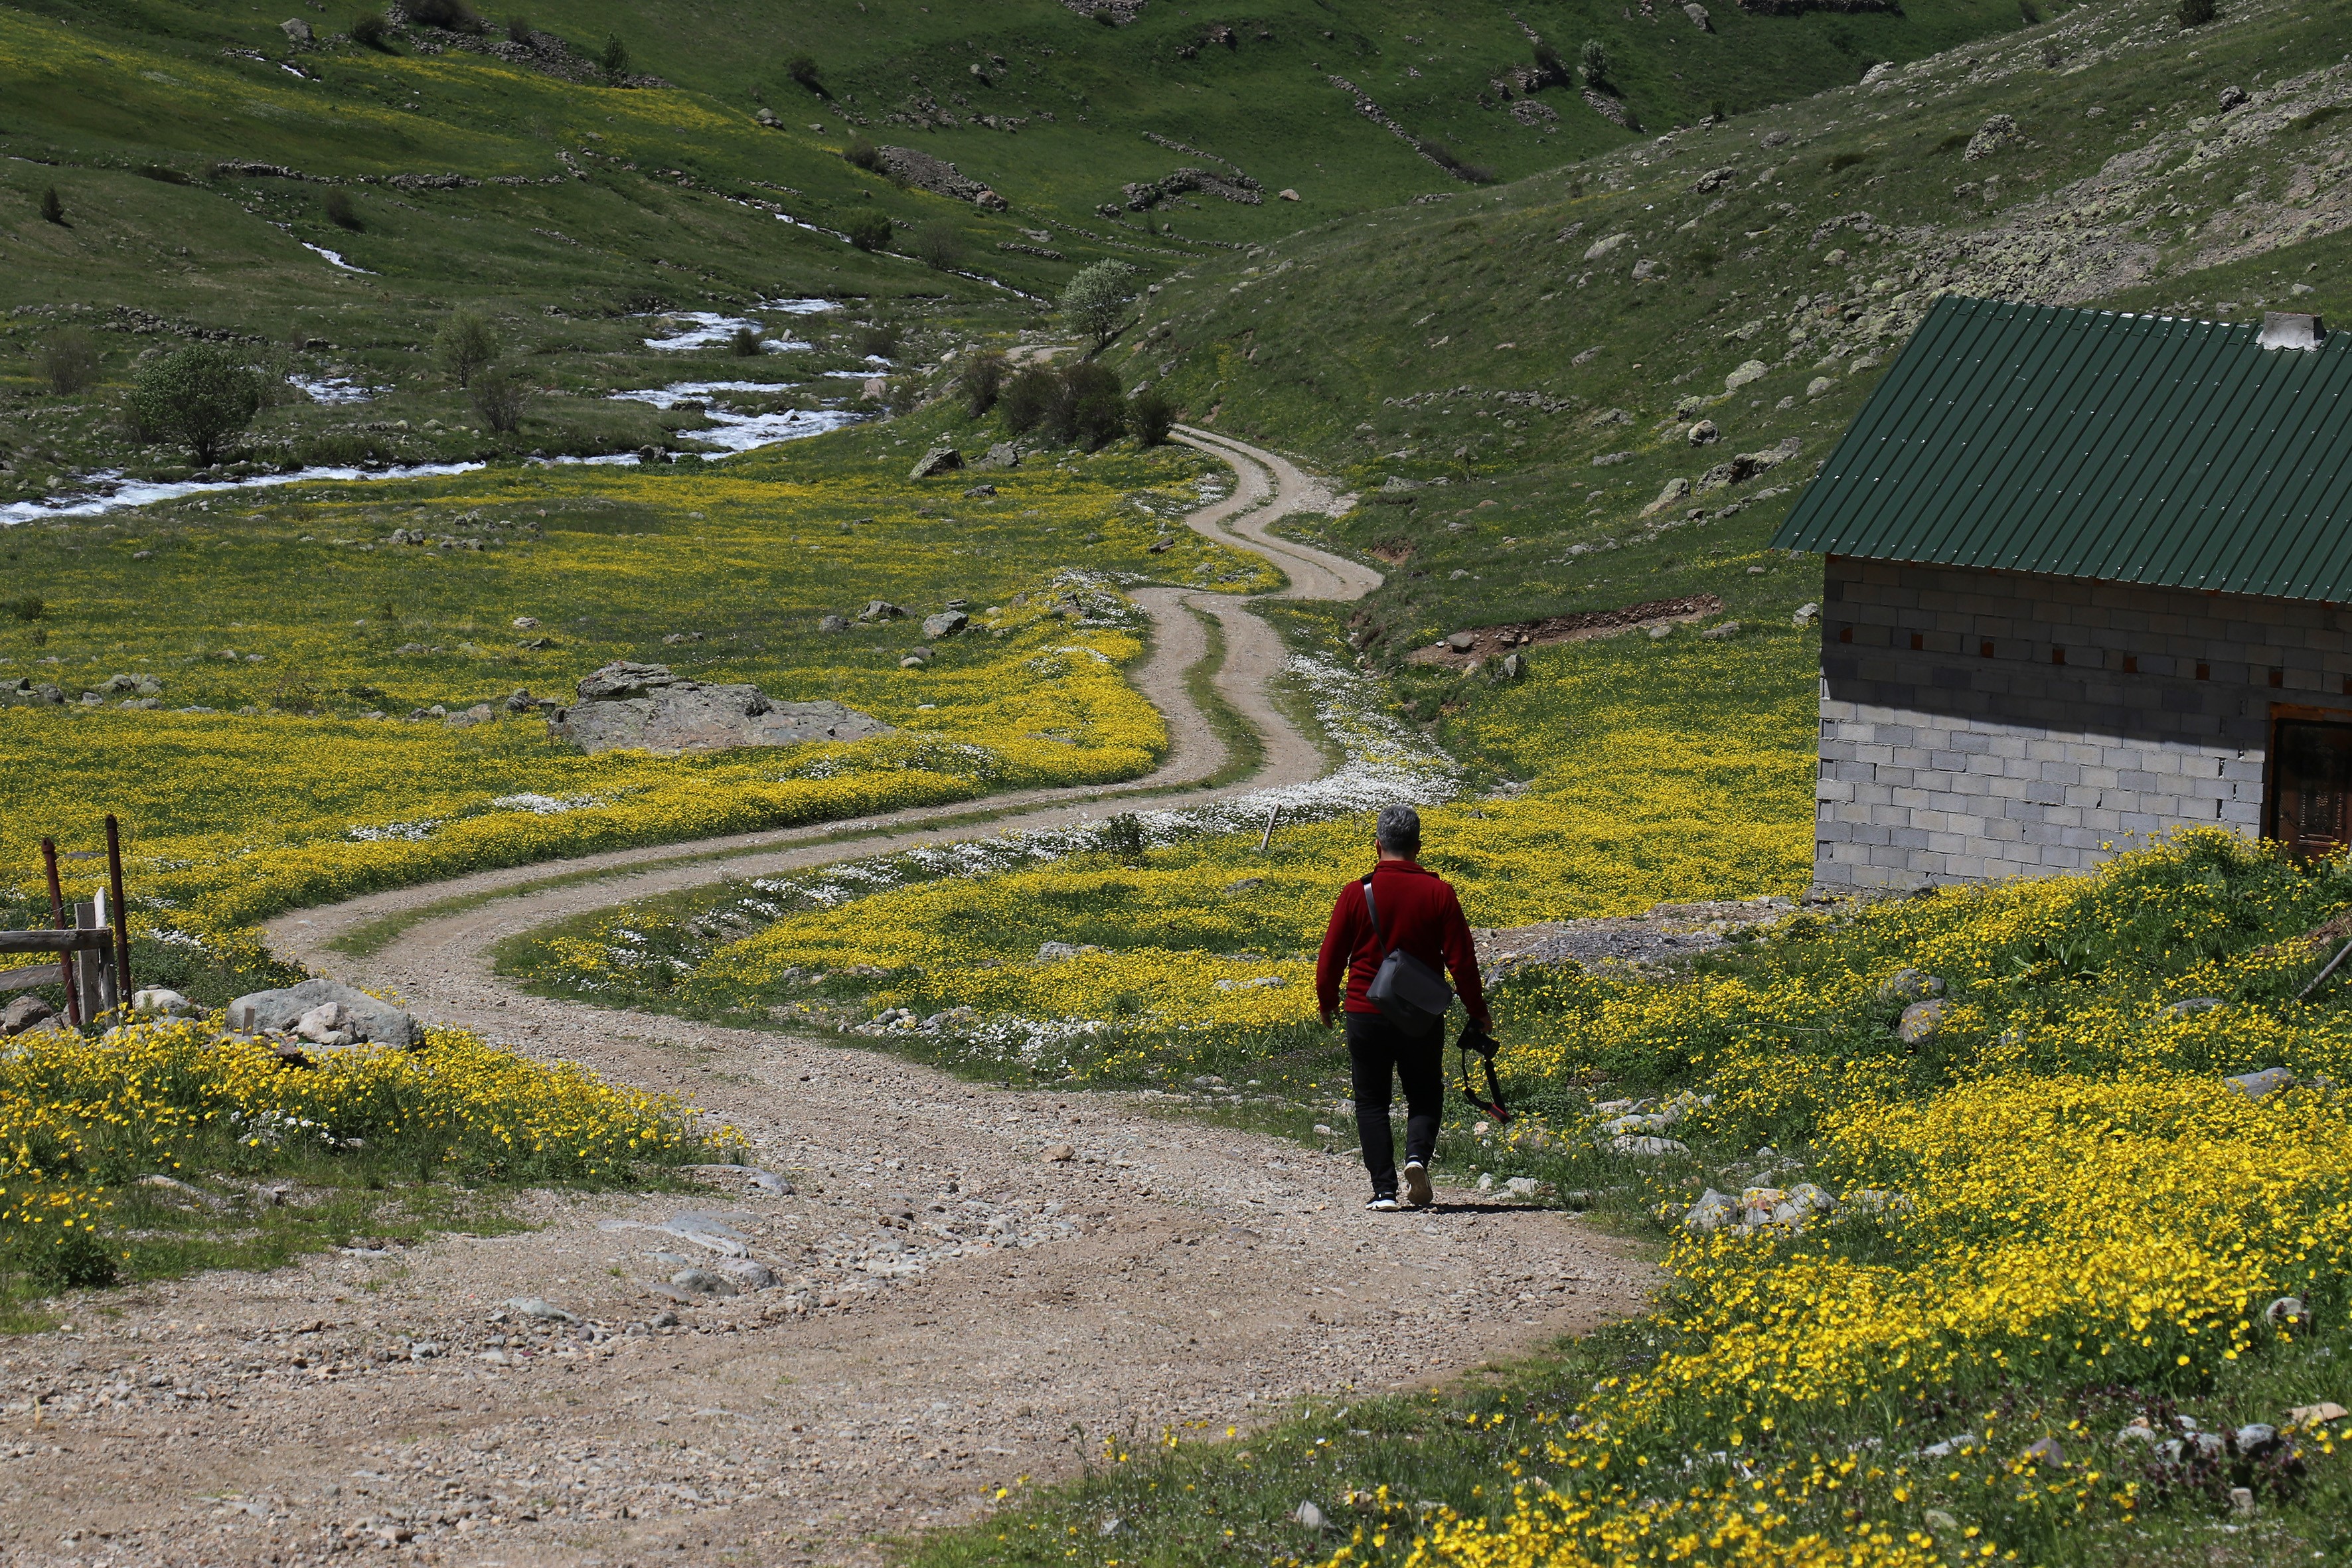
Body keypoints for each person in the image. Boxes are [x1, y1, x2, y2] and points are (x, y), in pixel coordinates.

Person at [1313, 803, 1490, 1211]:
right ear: (1418, 846)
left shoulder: (1356, 892)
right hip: (1421, 1015)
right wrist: (1477, 1010)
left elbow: (1331, 958)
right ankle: (1416, 1159)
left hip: (1365, 1009)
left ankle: (1384, 1192)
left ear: (1378, 846)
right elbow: (1462, 961)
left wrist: (1327, 1002)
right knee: (1425, 1091)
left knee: (1371, 1100)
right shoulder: (1439, 892)